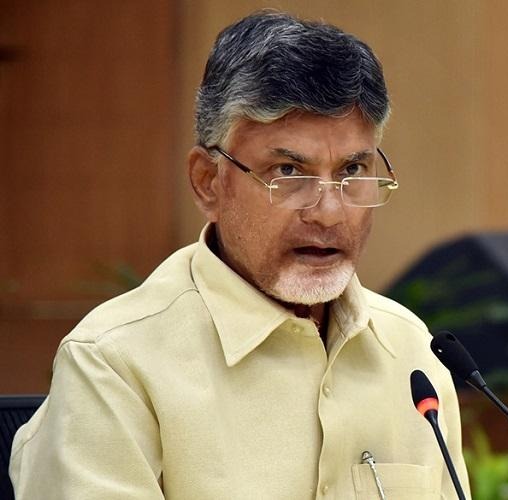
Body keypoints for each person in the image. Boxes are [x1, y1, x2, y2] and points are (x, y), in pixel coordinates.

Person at [9, 10, 467, 499]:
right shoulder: (115, 363)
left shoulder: (411, 351)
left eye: (352, 169)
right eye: (289, 172)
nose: (329, 212)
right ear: (208, 181)